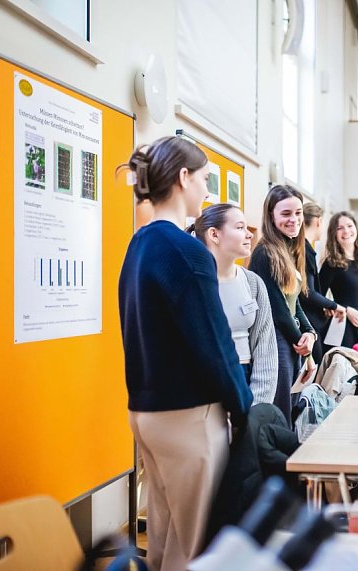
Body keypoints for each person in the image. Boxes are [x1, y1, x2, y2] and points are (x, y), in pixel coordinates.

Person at [117, 136, 252, 570]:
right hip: (187, 416)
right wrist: (242, 406)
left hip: (146, 413)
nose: (206, 190)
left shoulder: (138, 245)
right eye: (205, 179)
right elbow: (214, 345)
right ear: (183, 178)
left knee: (161, 540)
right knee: (194, 548)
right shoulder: (188, 251)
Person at [191, 204, 279, 405]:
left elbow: (265, 349)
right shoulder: (191, 282)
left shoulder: (253, 283)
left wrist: (258, 407)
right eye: (240, 228)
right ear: (214, 234)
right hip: (202, 386)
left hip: (245, 378)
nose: (249, 235)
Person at [248, 185, 316, 424]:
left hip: (291, 341)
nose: (294, 220)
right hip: (276, 343)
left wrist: (309, 333)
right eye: (286, 214)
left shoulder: (289, 249)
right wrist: (301, 341)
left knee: (291, 409)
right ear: (271, 216)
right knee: (281, 414)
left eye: (298, 213)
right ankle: (281, 462)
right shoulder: (264, 253)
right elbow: (276, 307)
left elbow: (294, 301)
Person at [319, 211, 358, 351]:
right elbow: (318, 297)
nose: (346, 231)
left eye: (350, 226)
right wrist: (346, 310)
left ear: (356, 228)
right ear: (334, 233)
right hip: (342, 326)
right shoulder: (331, 263)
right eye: (340, 228)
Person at [300, 202, 345, 361]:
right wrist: (334, 305)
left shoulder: (304, 249)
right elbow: (307, 292)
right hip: (308, 324)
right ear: (318, 221)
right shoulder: (304, 251)